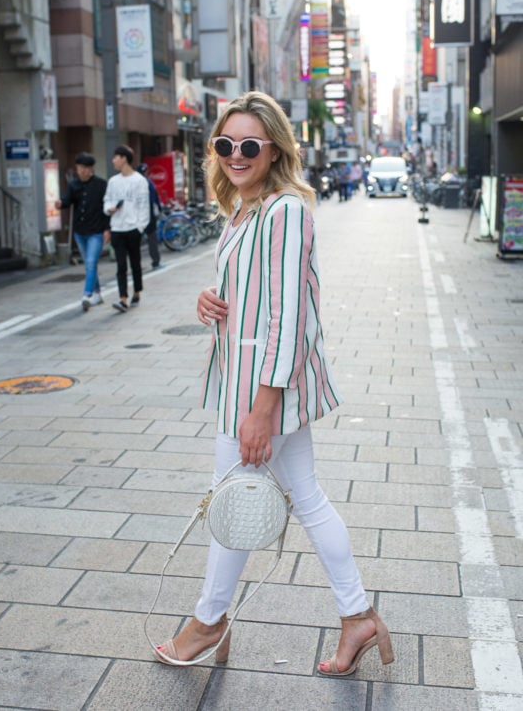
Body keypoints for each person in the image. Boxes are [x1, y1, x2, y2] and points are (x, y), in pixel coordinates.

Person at [154, 91, 394, 676]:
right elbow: (256, 295)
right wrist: (212, 299)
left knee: (231, 501)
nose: (236, 155)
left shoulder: (284, 211)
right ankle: (357, 616)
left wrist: (261, 409)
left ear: (275, 149)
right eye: (225, 144)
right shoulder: (243, 210)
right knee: (306, 499)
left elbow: (289, 316)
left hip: (259, 390)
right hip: (247, 381)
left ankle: (209, 622)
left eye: (249, 145)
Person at [55, 152, 110, 312]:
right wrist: (60, 203)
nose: (82, 171)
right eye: (80, 168)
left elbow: (107, 208)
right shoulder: (73, 185)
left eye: (86, 168)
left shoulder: (101, 185)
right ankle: (97, 294)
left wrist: (107, 229)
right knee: (89, 264)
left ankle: (87, 295)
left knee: (91, 263)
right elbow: (67, 200)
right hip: (80, 232)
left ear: (92, 168)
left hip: (96, 231)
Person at [104, 144, 150, 313]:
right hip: (117, 228)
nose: (113, 160)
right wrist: (109, 209)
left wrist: (140, 227)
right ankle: (123, 298)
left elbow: (144, 206)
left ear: (124, 159)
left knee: (135, 263)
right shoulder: (113, 181)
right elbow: (107, 200)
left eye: (116, 157)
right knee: (121, 265)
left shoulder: (139, 180)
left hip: (133, 229)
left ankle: (137, 291)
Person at [137, 162, 163, 270]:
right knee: (152, 238)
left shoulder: (135, 183)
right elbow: (155, 198)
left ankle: (136, 265)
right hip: (149, 213)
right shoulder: (148, 182)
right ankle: (155, 262)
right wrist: (159, 209)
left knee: (136, 241)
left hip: (137, 214)